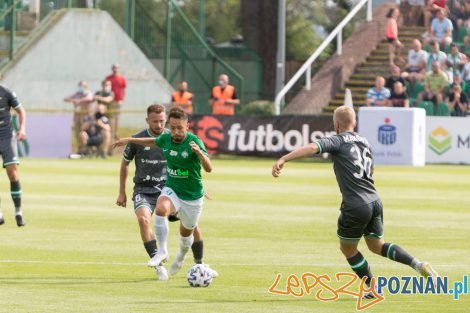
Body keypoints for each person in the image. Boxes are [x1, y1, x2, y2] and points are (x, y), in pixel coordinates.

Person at [271, 105, 439, 299]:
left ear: (336, 124)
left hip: (356, 204)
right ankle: (418, 264)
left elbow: (312, 147)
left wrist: (284, 158)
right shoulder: (364, 141)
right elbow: (371, 171)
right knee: (377, 245)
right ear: (355, 122)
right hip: (375, 199)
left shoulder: (338, 140)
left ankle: (373, 288)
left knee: (348, 248)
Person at [113, 106, 215, 278]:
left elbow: (207, 169)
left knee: (189, 230)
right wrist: (129, 139)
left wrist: (200, 156)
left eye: (178, 128)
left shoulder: (192, 141)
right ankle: (160, 255)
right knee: (153, 213)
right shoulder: (164, 138)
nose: (173, 130)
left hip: (186, 194)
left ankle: (194, 262)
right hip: (162, 189)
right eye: (172, 127)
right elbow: (151, 143)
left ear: (187, 126)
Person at [0, 84, 26, 227]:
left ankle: (18, 212)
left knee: (13, 174)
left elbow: (21, 111)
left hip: (7, 136)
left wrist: (22, 129)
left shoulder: (6, 92)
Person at [63, 80, 94, 154]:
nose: (81, 87)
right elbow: (65, 99)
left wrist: (79, 101)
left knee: (85, 133)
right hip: (77, 117)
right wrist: (73, 100)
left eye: (82, 86)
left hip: (86, 118)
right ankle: (80, 150)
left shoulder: (88, 93)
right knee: (77, 134)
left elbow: (89, 99)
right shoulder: (77, 94)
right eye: (80, 85)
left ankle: (87, 150)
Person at [105, 63, 127, 141]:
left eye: (116, 67)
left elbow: (123, 89)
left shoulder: (122, 78)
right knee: (111, 118)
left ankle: (115, 133)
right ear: (112, 68)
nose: (115, 69)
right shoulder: (108, 78)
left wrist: (122, 98)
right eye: (114, 67)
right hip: (110, 101)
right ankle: (111, 132)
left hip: (118, 101)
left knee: (117, 118)